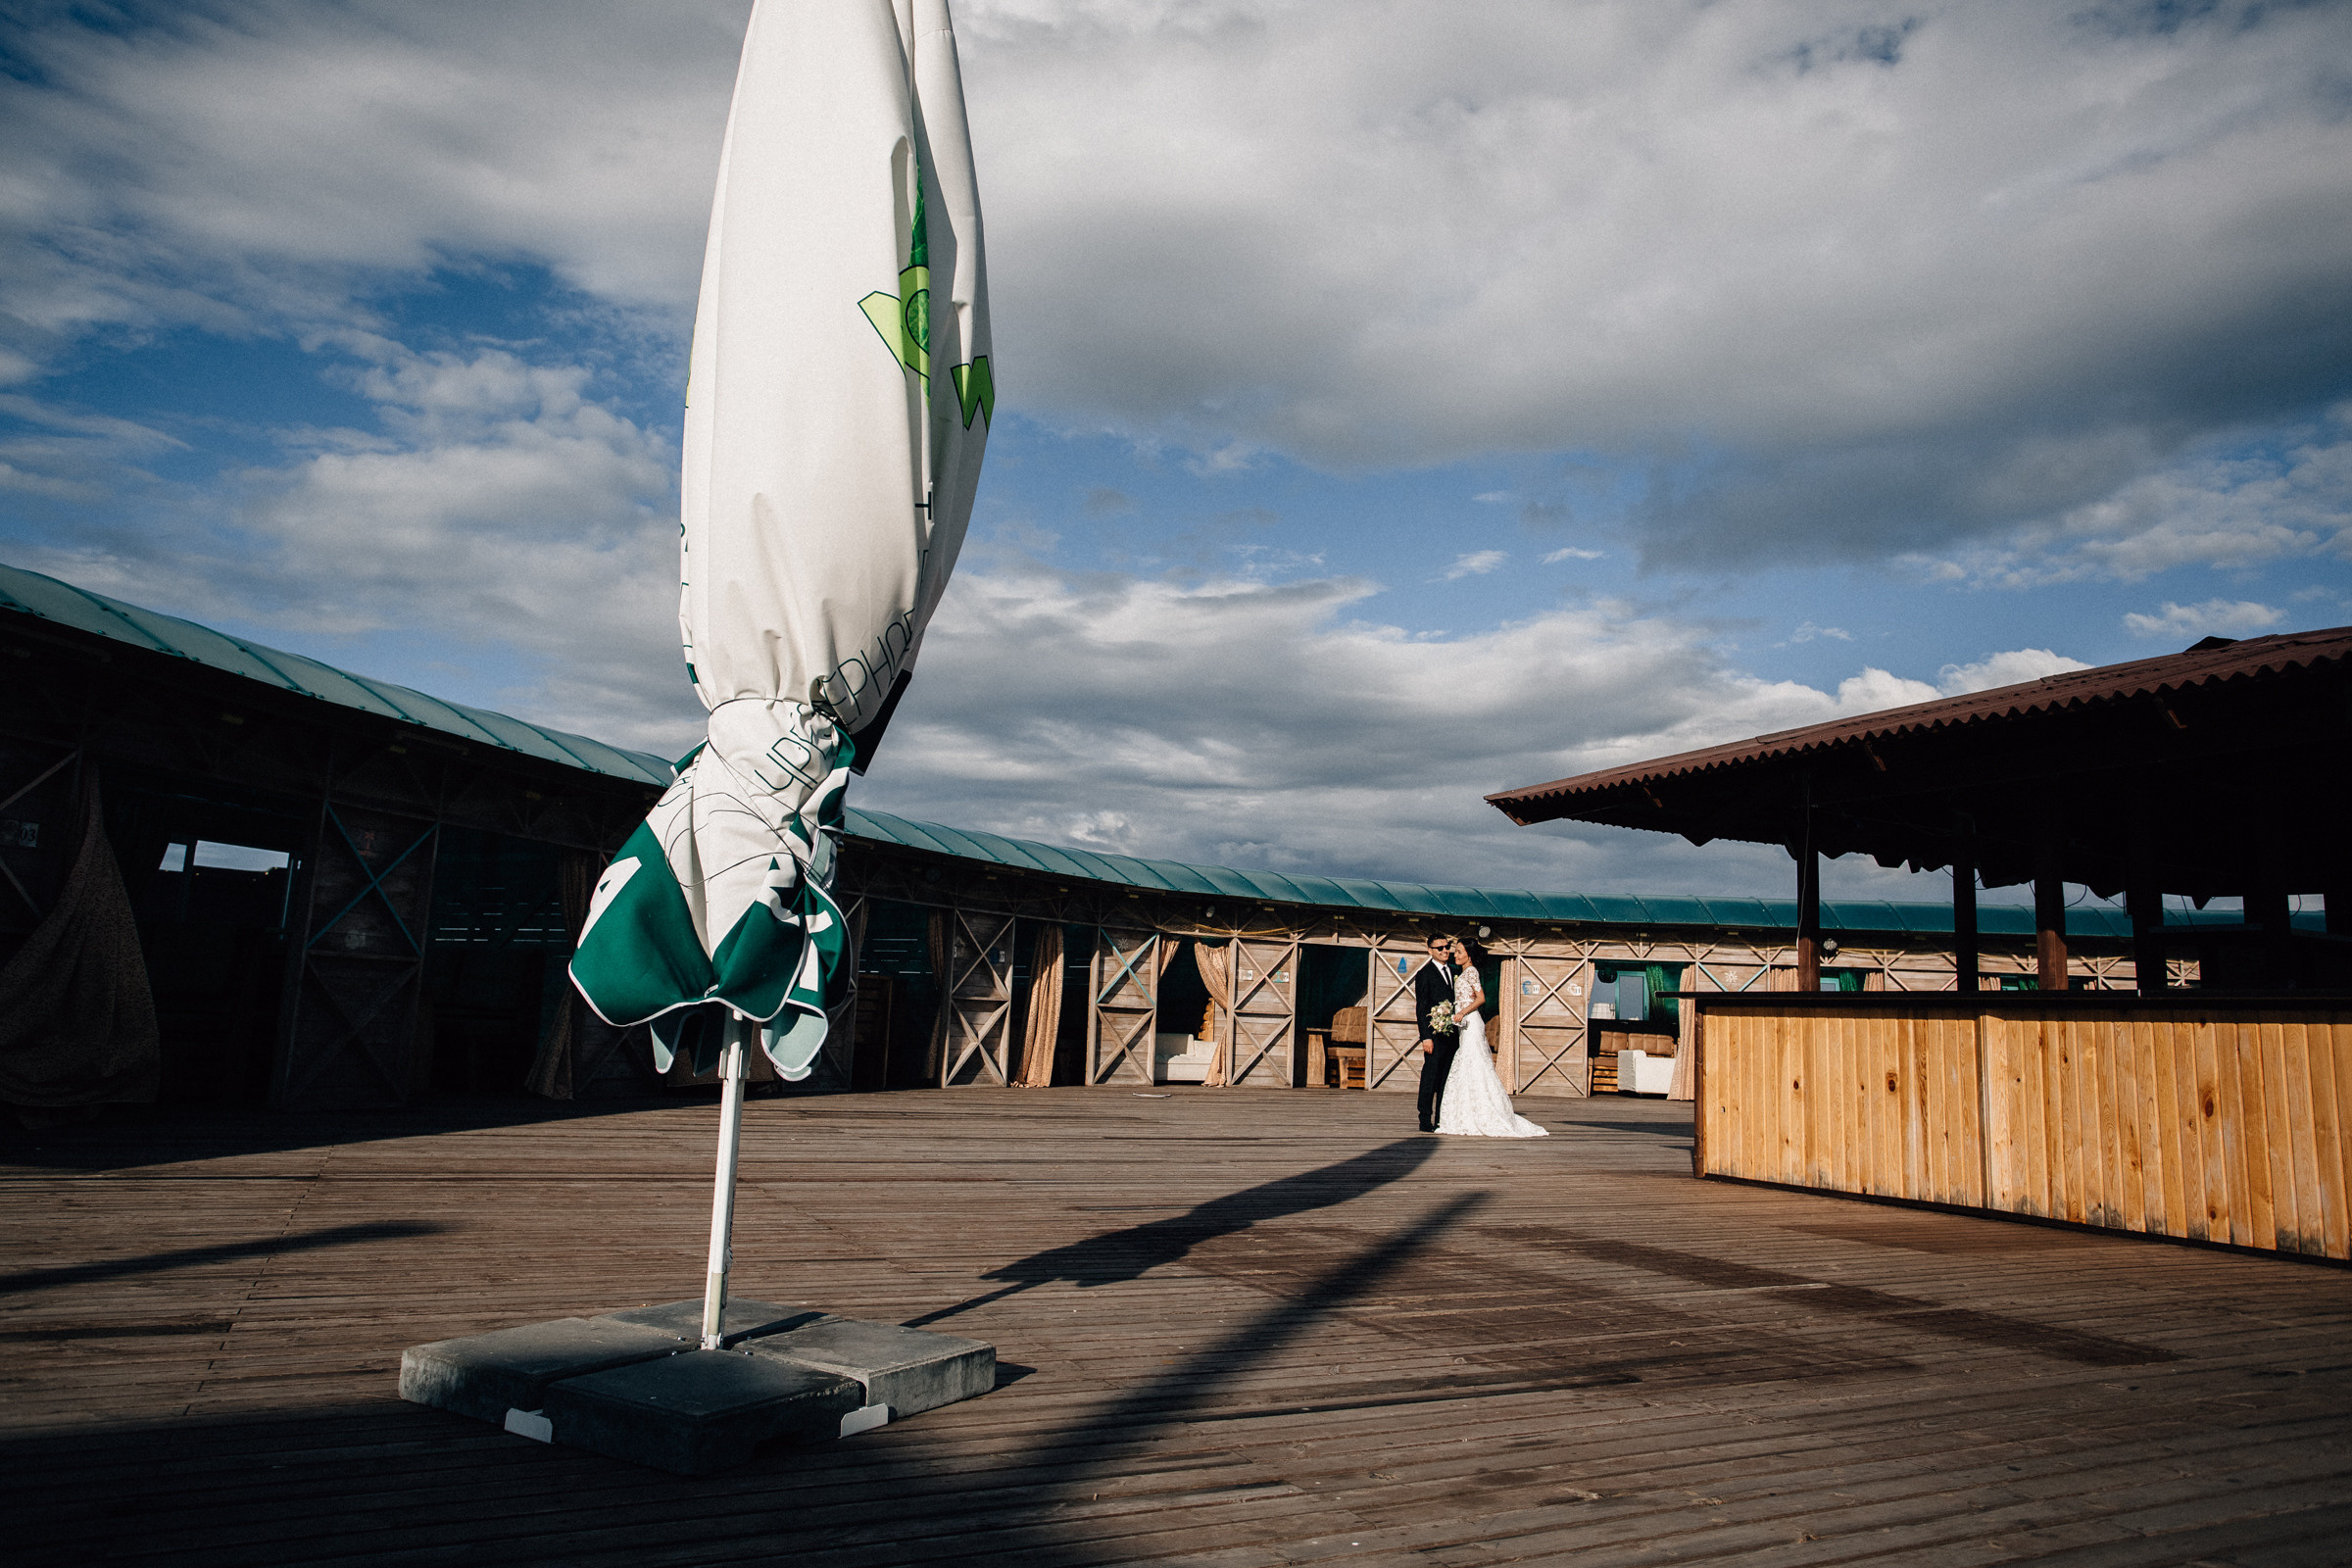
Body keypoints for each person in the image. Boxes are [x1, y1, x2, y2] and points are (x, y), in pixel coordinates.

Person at [1435, 937, 1549, 1139]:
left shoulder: (1471, 972)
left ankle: (1484, 1110)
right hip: (1464, 1024)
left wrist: (1462, 1012)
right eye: (1456, 951)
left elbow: (1481, 998)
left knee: (1474, 1061)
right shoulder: (1462, 973)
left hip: (1471, 1022)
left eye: (1459, 952)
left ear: (1469, 955)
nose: (1456, 954)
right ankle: (1467, 1110)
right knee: (1467, 1062)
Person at [1412, 932, 1458, 1132]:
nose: (1445, 951)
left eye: (1447, 947)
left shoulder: (1455, 971)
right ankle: (1425, 1118)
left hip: (1452, 1036)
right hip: (1434, 1036)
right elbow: (1421, 1008)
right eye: (1440, 948)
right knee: (1430, 1076)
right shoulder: (1424, 974)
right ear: (1430, 950)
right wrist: (1426, 1037)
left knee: (1446, 1078)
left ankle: (1441, 1118)